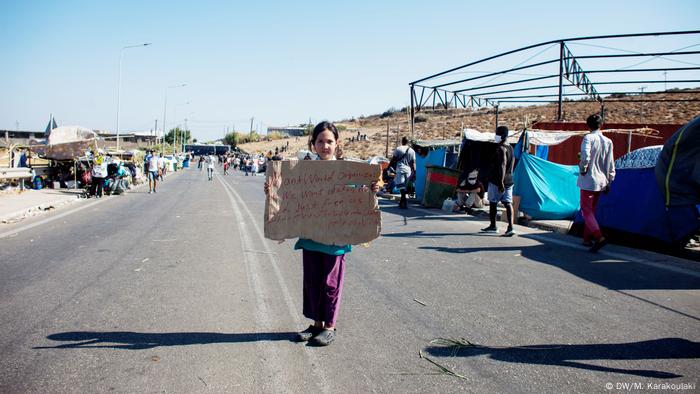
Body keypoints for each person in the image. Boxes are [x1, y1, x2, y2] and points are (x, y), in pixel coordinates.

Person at [264, 121, 378, 346]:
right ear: (313, 144)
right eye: (320, 141)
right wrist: (272, 189)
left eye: (329, 141)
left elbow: (359, 193)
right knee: (312, 282)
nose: (325, 146)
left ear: (337, 144)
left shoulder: (347, 170)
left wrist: (371, 189)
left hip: (336, 238)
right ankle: (316, 324)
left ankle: (330, 326)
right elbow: (287, 192)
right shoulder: (303, 170)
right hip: (311, 237)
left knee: (330, 283)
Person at [578, 114, 615, 252]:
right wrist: (610, 180)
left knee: (586, 210)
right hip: (602, 181)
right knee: (591, 210)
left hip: (589, 179)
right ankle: (587, 239)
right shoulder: (608, 141)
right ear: (601, 124)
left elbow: (585, 156)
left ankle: (599, 238)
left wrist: (582, 169)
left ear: (588, 125)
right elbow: (610, 163)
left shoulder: (588, 138)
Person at [482, 126, 515, 236]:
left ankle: (493, 226)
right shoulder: (510, 148)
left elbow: (503, 165)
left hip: (497, 181)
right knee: (507, 203)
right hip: (509, 180)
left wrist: (500, 182)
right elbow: (511, 164)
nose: (495, 136)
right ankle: (511, 227)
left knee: (493, 202)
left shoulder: (501, 148)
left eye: (497, 134)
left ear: (503, 135)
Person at [390, 137, 416, 209]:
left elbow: (393, 159)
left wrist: (389, 166)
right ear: (408, 142)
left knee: (401, 187)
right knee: (404, 187)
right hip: (408, 171)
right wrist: (414, 171)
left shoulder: (398, 149)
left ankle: (404, 201)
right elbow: (413, 162)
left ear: (402, 141)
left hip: (400, 170)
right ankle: (402, 202)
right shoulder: (412, 151)